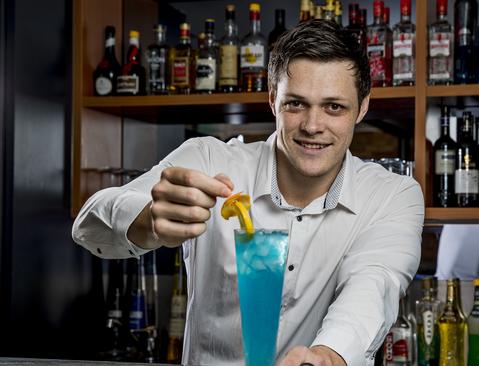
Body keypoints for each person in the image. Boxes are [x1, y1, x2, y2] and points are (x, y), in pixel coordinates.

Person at [72, 20, 424, 366]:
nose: (313, 125)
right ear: (273, 100)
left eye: (334, 107)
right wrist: (148, 220)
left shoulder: (392, 195)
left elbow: (374, 284)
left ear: (362, 107)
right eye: (296, 104)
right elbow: (89, 224)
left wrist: (328, 355)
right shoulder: (209, 162)